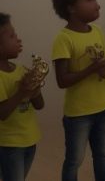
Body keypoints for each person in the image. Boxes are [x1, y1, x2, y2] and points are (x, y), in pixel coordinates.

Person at [51, 0, 105, 180]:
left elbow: (104, 72)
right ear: (71, 8)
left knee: (103, 155)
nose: (97, 4)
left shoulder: (97, 31)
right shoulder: (64, 39)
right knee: (74, 160)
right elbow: (62, 80)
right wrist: (93, 68)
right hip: (79, 113)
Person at [0, 13, 44, 181]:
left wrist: (35, 88)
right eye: (12, 36)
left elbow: (40, 105)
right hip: (9, 145)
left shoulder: (21, 70)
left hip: (30, 140)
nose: (18, 39)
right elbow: (2, 113)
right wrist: (22, 92)